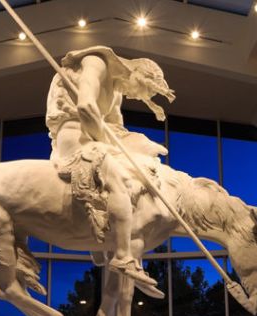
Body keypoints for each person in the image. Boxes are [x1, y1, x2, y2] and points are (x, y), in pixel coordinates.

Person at [46, 46, 175, 289]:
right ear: (137, 73)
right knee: (113, 169)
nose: (136, 96)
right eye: (142, 91)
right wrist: (105, 143)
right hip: (74, 134)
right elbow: (86, 107)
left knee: (145, 166)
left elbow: (116, 127)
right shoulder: (96, 63)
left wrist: (141, 144)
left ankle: (105, 232)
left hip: (96, 136)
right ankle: (122, 255)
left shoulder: (116, 91)